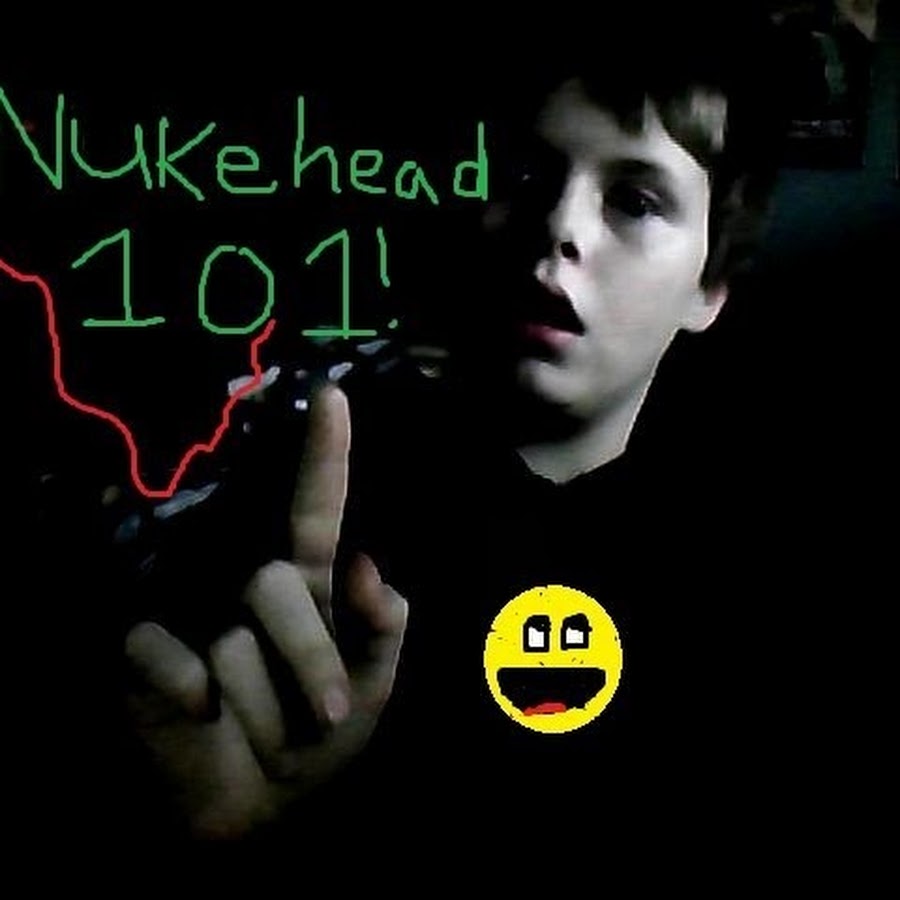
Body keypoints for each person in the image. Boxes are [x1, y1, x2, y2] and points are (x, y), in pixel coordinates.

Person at [119, 7, 792, 843]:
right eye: (527, 173)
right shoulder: (307, 488)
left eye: (635, 199)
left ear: (710, 286)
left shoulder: (757, 557)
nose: (562, 226)